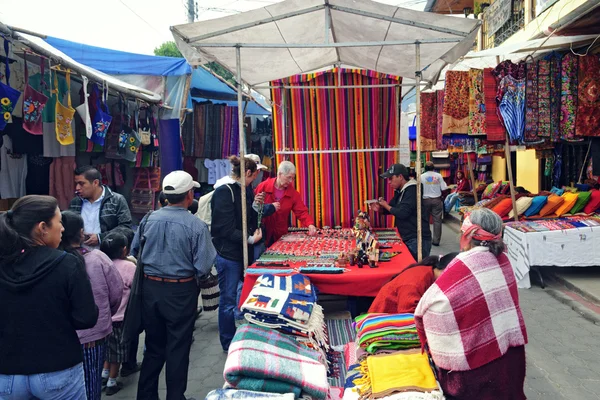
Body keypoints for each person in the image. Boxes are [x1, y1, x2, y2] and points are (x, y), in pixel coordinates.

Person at [415, 208, 528, 399]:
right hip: (508, 357)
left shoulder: (464, 263)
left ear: (469, 234)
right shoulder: (503, 259)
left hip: (476, 368)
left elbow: (433, 306)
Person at [0, 196, 98, 400]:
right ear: (43, 227)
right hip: (58, 370)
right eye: (59, 221)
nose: (62, 228)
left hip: (7, 374)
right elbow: (86, 318)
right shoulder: (68, 264)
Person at [131, 170, 216, 400]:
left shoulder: (148, 219)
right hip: (180, 291)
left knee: (153, 346)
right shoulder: (196, 226)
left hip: (150, 289)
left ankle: (146, 396)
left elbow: (135, 252)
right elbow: (203, 266)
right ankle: (175, 397)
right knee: (178, 348)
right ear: (189, 195)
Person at [60, 210, 124, 400]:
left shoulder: (53, 261)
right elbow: (116, 293)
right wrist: (104, 313)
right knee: (91, 386)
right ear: (81, 233)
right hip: (94, 335)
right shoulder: (97, 259)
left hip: (61, 337)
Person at [211, 156, 263, 352]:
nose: (255, 179)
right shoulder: (225, 191)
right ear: (247, 173)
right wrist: (249, 239)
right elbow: (222, 228)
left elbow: (246, 216)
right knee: (228, 300)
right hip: (228, 255)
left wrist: (256, 208)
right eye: (254, 175)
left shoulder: (244, 189)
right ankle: (228, 342)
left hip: (240, 253)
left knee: (235, 297)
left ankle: (236, 336)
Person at [369, 163, 432, 261]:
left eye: (391, 178)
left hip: (417, 238)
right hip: (409, 237)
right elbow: (392, 209)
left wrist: (385, 205)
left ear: (400, 177)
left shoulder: (412, 190)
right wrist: (380, 208)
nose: (389, 182)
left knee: (415, 269)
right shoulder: (401, 191)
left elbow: (402, 213)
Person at [100, 232, 137, 396]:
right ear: (124, 250)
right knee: (118, 354)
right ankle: (112, 382)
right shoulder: (129, 267)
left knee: (108, 351)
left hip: (104, 319)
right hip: (120, 319)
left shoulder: (101, 264)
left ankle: (104, 374)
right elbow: (136, 287)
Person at [369, 252, 458, 314]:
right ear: (445, 270)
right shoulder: (414, 284)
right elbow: (409, 319)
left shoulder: (429, 273)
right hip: (382, 326)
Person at [69, 165, 133, 249]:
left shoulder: (116, 200)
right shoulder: (75, 202)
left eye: (82, 183)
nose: (77, 188)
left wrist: (101, 237)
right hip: (80, 255)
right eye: (76, 184)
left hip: (108, 254)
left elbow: (125, 228)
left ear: (95, 183)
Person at [255, 160, 317, 246]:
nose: (291, 181)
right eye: (289, 177)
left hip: (280, 234)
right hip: (262, 233)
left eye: (293, 178)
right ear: (280, 174)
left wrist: (310, 224)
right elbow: (253, 207)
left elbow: (301, 211)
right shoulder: (263, 187)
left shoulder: (293, 193)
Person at [421, 161, 447, 247]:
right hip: (436, 199)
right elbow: (444, 188)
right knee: (437, 221)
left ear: (425, 168)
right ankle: (436, 241)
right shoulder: (438, 176)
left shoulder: (421, 176)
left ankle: (425, 238)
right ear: (433, 168)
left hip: (425, 200)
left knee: (425, 220)